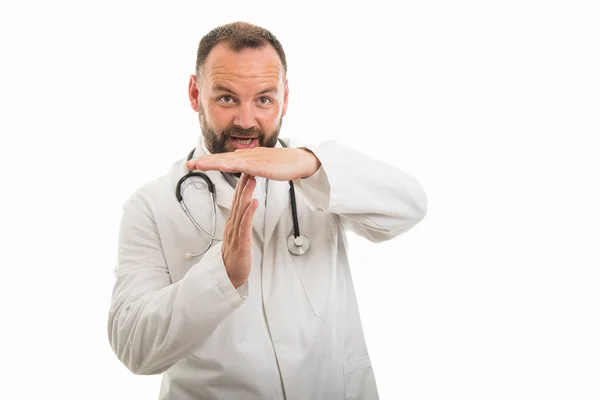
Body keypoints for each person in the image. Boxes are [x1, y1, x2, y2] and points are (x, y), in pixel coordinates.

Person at [107, 21, 427, 400]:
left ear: (285, 98)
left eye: (263, 99)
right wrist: (221, 277)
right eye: (226, 98)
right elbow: (133, 347)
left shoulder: (320, 171)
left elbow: (410, 207)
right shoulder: (152, 205)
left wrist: (313, 167)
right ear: (195, 94)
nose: (246, 121)